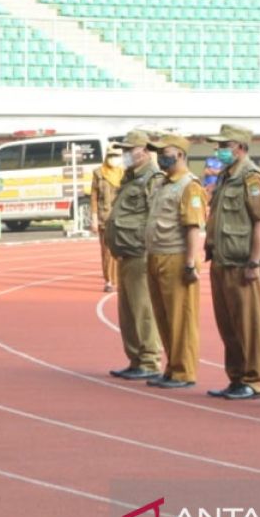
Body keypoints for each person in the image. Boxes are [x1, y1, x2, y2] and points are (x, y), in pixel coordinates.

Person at [204, 124, 260, 401]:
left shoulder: (250, 177)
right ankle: (236, 377)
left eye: (224, 145)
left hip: (241, 262)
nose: (219, 150)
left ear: (239, 147)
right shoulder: (225, 176)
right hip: (221, 259)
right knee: (228, 325)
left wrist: (255, 262)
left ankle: (252, 380)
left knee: (247, 326)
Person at [144, 134, 206, 389]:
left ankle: (184, 371)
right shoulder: (163, 183)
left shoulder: (189, 186)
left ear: (180, 154)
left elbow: (193, 227)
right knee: (164, 316)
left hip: (177, 256)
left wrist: (190, 262)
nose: (161, 157)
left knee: (182, 318)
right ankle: (171, 367)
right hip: (157, 253)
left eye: (165, 152)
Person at [104, 130, 163, 380]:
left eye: (131, 150)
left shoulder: (153, 178)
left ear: (145, 151)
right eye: (124, 150)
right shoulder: (129, 177)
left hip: (140, 252)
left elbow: (155, 215)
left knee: (143, 309)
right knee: (127, 312)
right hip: (125, 251)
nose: (126, 154)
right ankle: (135, 358)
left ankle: (149, 360)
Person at [90, 147, 123, 293]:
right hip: (104, 217)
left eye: (116, 156)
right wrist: (94, 217)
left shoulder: (124, 173)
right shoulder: (98, 173)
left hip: (121, 218)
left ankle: (119, 279)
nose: (113, 158)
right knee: (106, 251)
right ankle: (108, 280)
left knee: (120, 250)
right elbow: (94, 196)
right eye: (111, 155)